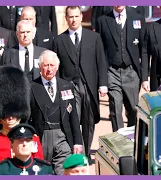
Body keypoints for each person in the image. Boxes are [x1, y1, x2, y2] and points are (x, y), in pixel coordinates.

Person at [53, 6, 108, 164]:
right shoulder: (59, 40)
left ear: (81, 16)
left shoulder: (94, 37)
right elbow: (57, 67)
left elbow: (101, 62)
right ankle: (77, 153)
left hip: (89, 85)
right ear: (66, 18)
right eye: (71, 17)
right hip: (69, 87)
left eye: (76, 16)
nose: (74, 19)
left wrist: (103, 84)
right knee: (73, 119)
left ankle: (86, 150)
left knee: (88, 121)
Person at [0, 66, 44, 175]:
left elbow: (40, 172)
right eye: (5, 114)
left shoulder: (33, 141)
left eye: (14, 113)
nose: (10, 117)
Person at [29, 50, 83, 175]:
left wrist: (77, 142)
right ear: (40, 66)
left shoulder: (67, 86)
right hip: (41, 137)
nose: (49, 69)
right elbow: (27, 117)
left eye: (52, 65)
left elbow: (73, 116)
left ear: (57, 67)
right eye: (46, 65)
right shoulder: (31, 87)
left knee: (63, 172)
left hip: (62, 136)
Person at [96, 6, 149, 131]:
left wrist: (144, 77)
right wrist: (102, 81)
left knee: (133, 109)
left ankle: (132, 140)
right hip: (112, 71)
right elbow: (99, 51)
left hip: (132, 72)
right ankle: (118, 140)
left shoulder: (138, 18)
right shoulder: (103, 20)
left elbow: (144, 50)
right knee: (115, 110)